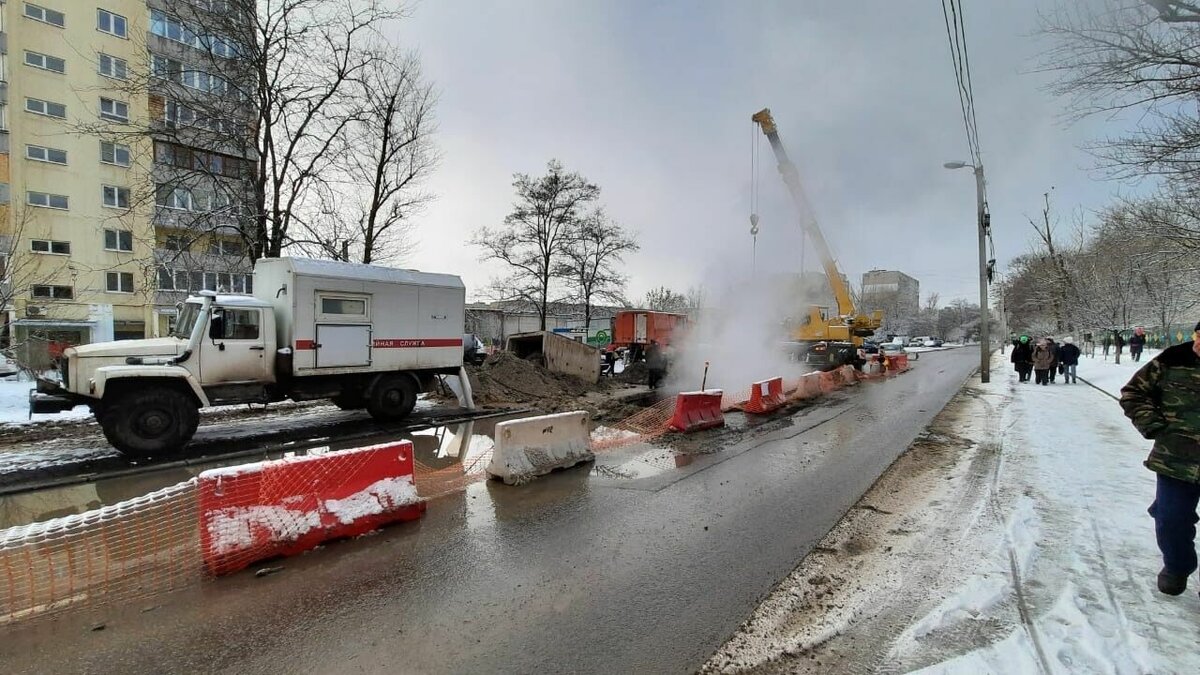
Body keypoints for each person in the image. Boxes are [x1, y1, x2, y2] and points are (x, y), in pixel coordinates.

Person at [1119, 321, 1200, 596]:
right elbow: (1133, 392)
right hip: (1175, 459)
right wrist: (1152, 424)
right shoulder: (1172, 360)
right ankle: (1178, 566)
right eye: (1199, 337)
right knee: (1171, 518)